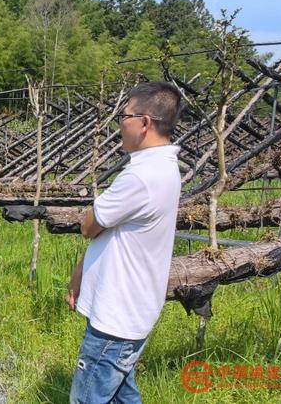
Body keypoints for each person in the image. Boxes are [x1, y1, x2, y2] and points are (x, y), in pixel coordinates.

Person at [66, 82, 183, 404]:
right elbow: (109, 233)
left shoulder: (140, 177)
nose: (120, 124)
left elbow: (89, 226)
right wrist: (80, 272)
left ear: (144, 122)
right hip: (133, 309)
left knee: (87, 398)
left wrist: (95, 214)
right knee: (121, 394)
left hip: (116, 317)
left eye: (124, 116)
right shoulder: (164, 168)